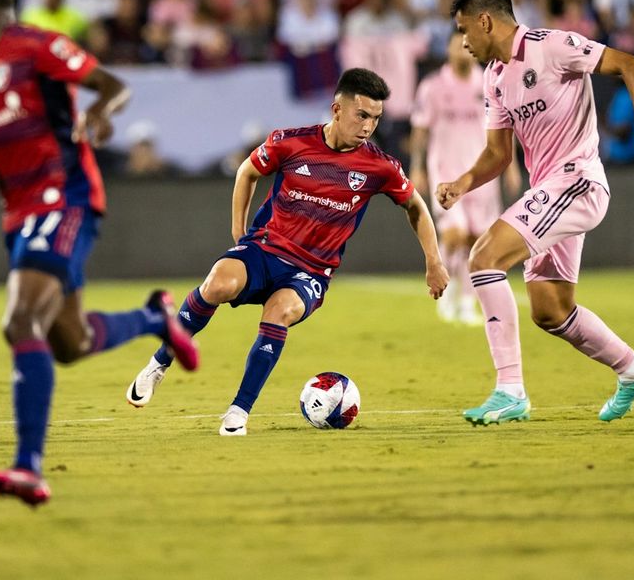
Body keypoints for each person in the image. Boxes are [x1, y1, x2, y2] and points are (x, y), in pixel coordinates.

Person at [0, 0, 198, 506]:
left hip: (63, 197)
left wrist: (99, 113)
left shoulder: (36, 46)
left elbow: (112, 84)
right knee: (70, 341)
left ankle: (28, 467)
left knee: (21, 321)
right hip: (19, 213)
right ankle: (153, 318)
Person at [125, 69, 449, 435]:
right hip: (264, 250)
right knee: (216, 283)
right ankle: (159, 363)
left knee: (278, 312)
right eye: (362, 115)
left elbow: (417, 207)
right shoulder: (291, 143)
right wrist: (238, 232)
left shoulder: (379, 167)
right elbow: (246, 172)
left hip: (310, 272)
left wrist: (433, 261)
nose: (368, 126)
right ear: (337, 109)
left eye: (376, 118)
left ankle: (238, 412)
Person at [437, 0, 634, 426]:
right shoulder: (494, 78)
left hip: (578, 181)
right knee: (549, 308)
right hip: (548, 192)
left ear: (486, 21)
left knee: (484, 257)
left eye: (465, 30)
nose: (463, 42)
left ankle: (509, 391)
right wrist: (462, 183)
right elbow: (497, 155)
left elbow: (632, 64)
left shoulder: (553, 46)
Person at [411, 32, 520, 325]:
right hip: (445, 173)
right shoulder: (432, 86)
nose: (462, 48)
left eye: (466, 43)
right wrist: (417, 167)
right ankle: (445, 292)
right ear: (447, 48)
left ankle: (467, 302)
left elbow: (504, 127)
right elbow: (420, 131)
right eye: (456, 43)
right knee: (455, 234)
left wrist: (510, 166)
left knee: (478, 242)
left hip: (481, 175)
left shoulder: (489, 83)